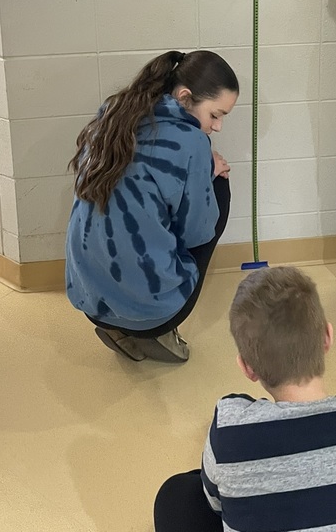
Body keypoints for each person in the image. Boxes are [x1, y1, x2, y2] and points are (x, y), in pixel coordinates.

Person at [154, 266, 336, 532]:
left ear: (247, 367)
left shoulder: (230, 427)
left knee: (177, 496)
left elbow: (214, 503)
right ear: (327, 337)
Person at [65, 49, 238, 364]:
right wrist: (206, 172)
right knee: (220, 187)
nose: (217, 127)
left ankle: (117, 325)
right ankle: (156, 329)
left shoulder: (115, 110)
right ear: (185, 97)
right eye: (216, 115)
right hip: (153, 314)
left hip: (88, 300)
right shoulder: (192, 143)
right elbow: (197, 233)